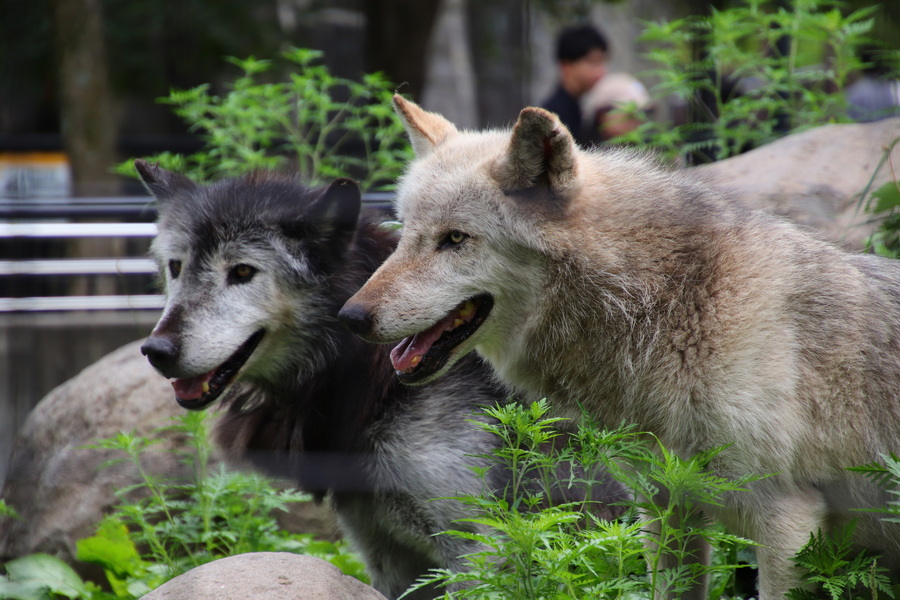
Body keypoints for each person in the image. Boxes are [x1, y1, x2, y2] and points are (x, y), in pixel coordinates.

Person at [540, 24, 609, 145]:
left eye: (602, 62)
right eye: (592, 62)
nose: (601, 71)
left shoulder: (577, 106)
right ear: (566, 66)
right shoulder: (554, 115)